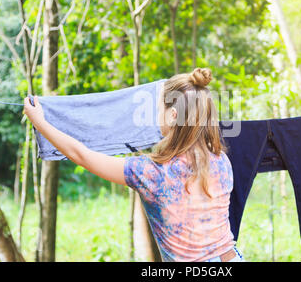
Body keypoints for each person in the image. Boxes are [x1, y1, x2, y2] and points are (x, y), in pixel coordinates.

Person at [23, 67, 244, 262]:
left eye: (160, 109)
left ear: (173, 115)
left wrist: (40, 122)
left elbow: (82, 155)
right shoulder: (221, 161)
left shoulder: (152, 173)